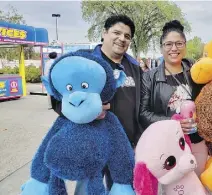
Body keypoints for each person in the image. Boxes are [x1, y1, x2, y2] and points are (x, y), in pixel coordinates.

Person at [51, 15, 143, 193]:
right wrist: (83, 111)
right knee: (86, 190)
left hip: (124, 146)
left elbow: (139, 107)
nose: (122, 38)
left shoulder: (134, 67)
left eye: (127, 36)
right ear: (104, 33)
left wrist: (138, 139)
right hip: (91, 144)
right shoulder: (84, 61)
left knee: (124, 188)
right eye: (117, 32)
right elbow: (58, 99)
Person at [139, 20, 208, 177]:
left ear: (185, 45)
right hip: (167, 146)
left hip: (196, 141)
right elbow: (143, 113)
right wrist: (173, 123)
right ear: (161, 47)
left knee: (198, 186)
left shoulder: (196, 72)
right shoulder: (149, 77)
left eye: (179, 43)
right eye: (168, 44)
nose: (174, 48)